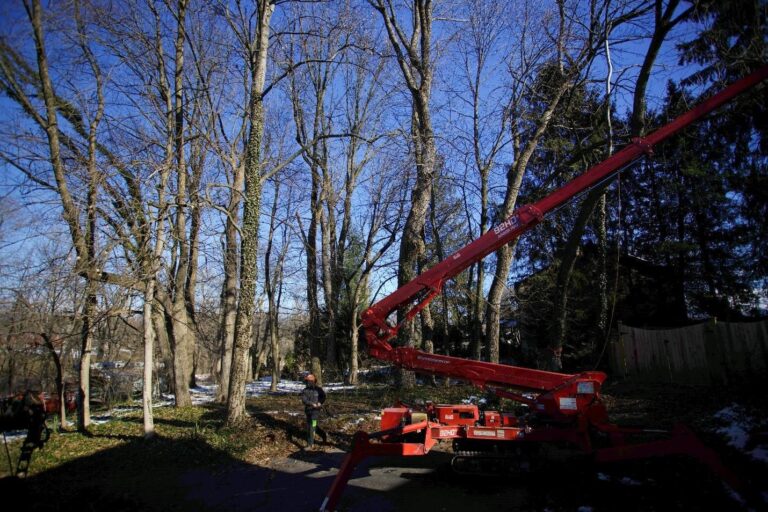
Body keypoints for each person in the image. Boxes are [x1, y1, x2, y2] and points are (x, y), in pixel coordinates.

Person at [300, 373, 326, 448]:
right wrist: (311, 404)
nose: (309, 383)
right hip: (308, 411)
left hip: (316, 412)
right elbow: (304, 400)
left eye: (311, 381)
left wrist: (320, 402)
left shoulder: (319, 390)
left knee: (312, 426)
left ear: (314, 381)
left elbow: (323, 397)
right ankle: (323, 434)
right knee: (310, 426)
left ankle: (310, 444)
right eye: (308, 381)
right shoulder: (305, 391)